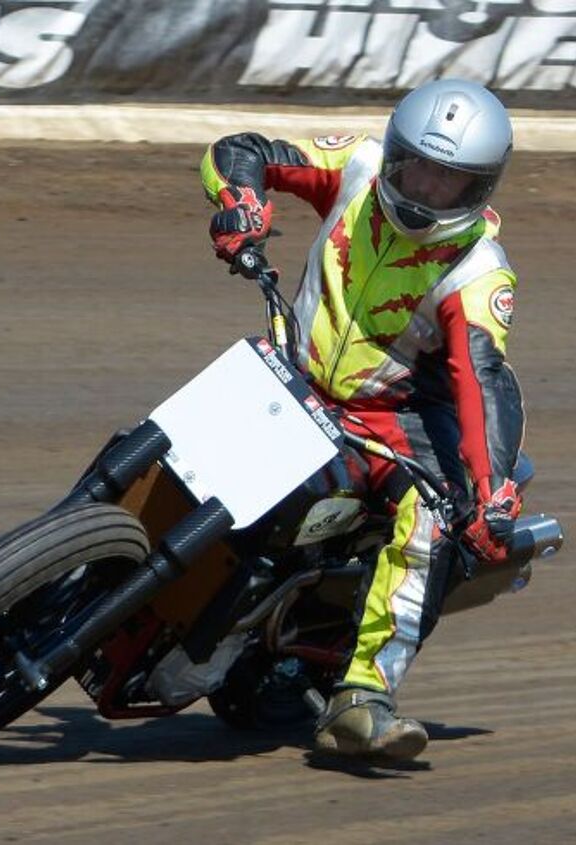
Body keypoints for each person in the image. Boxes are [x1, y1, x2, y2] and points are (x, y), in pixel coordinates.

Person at [200, 78, 525, 761]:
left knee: (434, 519)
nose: (425, 189)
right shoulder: (358, 166)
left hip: (388, 418)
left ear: (480, 187)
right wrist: (241, 201)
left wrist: (492, 491)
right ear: (396, 150)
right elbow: (243, 150)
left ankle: (363, 696)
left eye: (448, 180)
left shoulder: (479, 271)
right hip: (289, 369)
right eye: (417, 167)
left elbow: (481, 380)